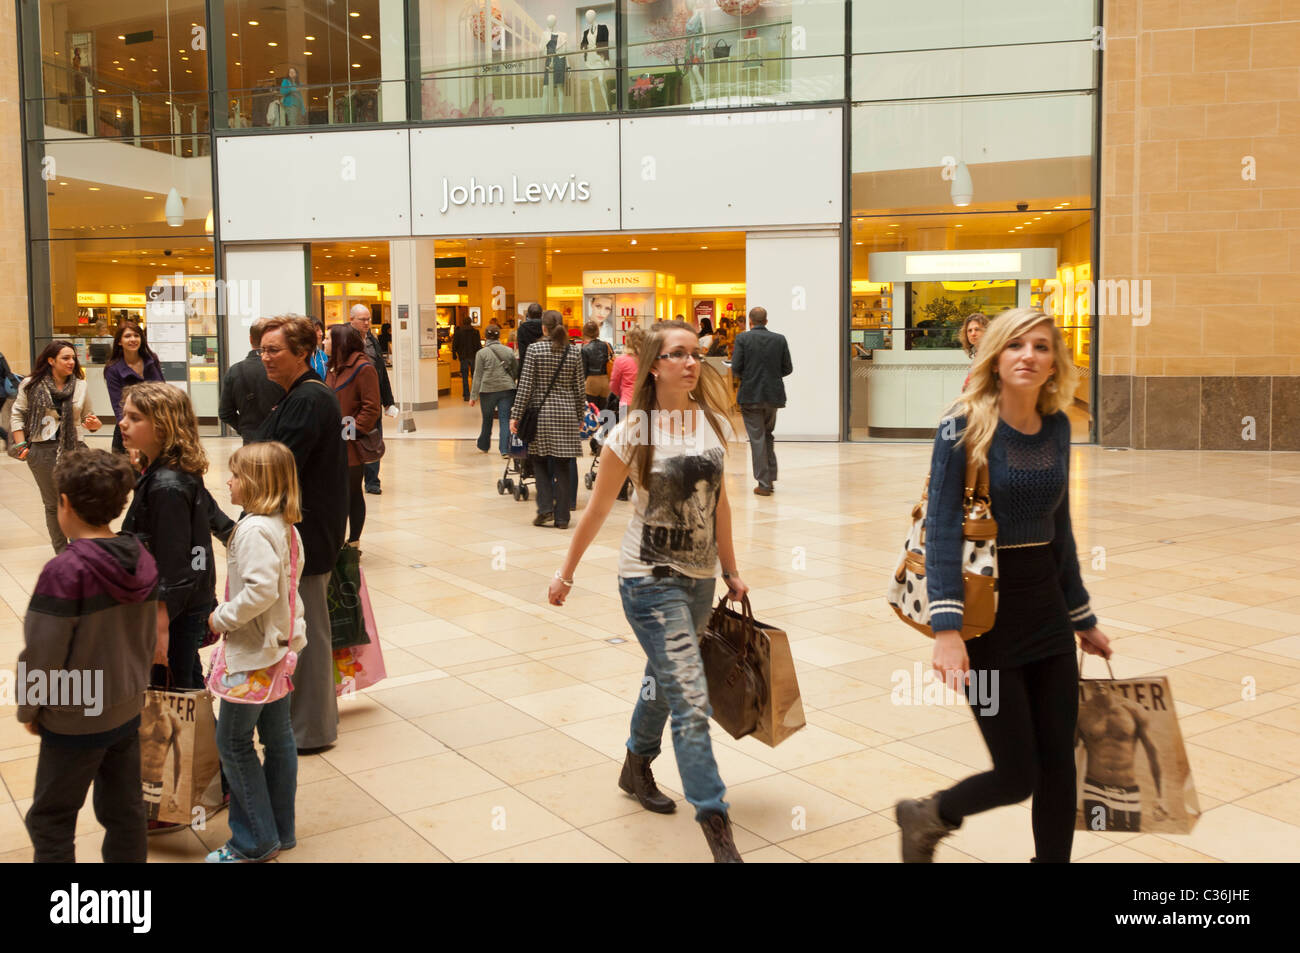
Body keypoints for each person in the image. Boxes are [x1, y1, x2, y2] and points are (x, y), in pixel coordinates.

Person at [894, 308, 1112, 864]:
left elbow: (1059, 528)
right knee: (1017, 774)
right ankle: (930, 813)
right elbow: (942, 528)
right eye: (1016, 345)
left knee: (1060, 762)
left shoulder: (1058, 426)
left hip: (1045, 608)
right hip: (982, 613)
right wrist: (946, 632)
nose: (1029, 356)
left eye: (1041, 346)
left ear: (1054, 361)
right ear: (995, 354)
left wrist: (1082, 617)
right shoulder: (962, 425)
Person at [546, 319, 749, 863]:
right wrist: (565, 573)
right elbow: (595, 511)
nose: (691, 363)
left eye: (696, 354)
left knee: (664, 676)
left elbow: (721, 503)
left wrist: (730, 569)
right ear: (654, 365)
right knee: (690, 698)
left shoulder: (710, 421)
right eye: (679, 354)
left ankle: (636, 763)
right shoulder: (633, 432)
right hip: (648, 580)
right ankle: (716, 821)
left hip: (700, 580)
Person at [19, 449, 159, 863]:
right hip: (127, 709)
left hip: (75, 718)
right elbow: (146, 637)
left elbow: (43, 652)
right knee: (125, 812)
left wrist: (31, 708)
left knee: (51, 818)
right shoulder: (141, 557)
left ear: (64, 503)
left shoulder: (65, 571)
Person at [205, 442, 308, 863]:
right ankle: (280, 831)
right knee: (278, 737)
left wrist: (220, 618)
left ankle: (253, 840)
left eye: (235, 475)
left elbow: (262, 590)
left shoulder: (251, 530)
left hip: (253, 653)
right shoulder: (284, 525)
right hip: (280, 649)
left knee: (232, 741)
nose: (228, 481)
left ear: (256, 483)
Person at [253, 315, 348, 752]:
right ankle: (301, 721)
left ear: (301, 353)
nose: (266, 358)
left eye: (274, 350)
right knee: (298, 624)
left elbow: (279, 462)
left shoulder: (309, 399)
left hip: (308, 531)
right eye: (263, 350)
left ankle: (312, 729)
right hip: (302, 527)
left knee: (306, 628)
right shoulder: (296, 396)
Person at [119, 382, 232, 691]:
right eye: (124, 415)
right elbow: (212, 514)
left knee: (174, 690)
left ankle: (198, 740)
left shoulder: (166, 485)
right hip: (188, 600)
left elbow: (172, 565)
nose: (122, 423)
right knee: (187, 681)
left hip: (175, 607)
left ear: (162, 426)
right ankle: (207, 738)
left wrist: (159, 622)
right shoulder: (172, 472)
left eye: (134, 417)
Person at [8, 341, 102, 553]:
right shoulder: (31, 384)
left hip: (75, 449)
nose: (71, 362)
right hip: (42, 450)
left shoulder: (80, 385)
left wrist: (94, 425)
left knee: (78, 503)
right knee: (53, 505)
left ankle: (79, 551)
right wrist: (22, 444)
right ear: (51, 360)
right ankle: (62, 553)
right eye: (65, 358)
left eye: (73, 358)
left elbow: (88, 415)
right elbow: (18, 413)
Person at [510, 311, 584, 529]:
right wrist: (580, 416)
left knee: (539, 462)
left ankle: (545, 510)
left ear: (543, 328)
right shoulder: (573, 351)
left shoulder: (534, 349)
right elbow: (579, 388)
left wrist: (516, 414)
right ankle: (563, 518)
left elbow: (525, 386)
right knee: (563, 465)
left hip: (540, 416)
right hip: (567, 415)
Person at [1076, 682, 1167, 832]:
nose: (1098, 682)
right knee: (1098, 835)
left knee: (1129, 836)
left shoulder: (1133, 710)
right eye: (1093, 679)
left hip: (1128, 792)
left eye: (1102, 678)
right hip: (1095, 789)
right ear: (1087, 684)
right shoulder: (1080, 713)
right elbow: (1065, 751)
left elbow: (1153, 753)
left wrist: (1161, 796)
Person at [325, 324, 380, 546]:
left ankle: (354, 541)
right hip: (332, 443)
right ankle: (337, 540)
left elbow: (371, 408)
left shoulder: (363, 368)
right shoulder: (333, 368)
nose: (324, 342)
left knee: (352, 493)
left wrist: (349, 433)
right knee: (336, 494)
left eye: (328, 339)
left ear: (340, 342)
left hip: (350, 445)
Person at [729, 306, 792, 497]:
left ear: (750, 321)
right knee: (768, 435)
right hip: (773, 395)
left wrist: (746, 376)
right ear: (766, 321)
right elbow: (787, 368)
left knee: (757, 438)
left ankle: (763, 483)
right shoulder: (779, 339)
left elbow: (736, 366)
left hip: (750, 395)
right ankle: (770, 478)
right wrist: (772, 376)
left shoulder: (742, 338)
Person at [350, 304, 394, 496]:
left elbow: (381, 372)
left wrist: (388, 401)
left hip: (372, 401)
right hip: (352, 403)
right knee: (351, 440)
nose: (367, 323)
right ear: (352, 320)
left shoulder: (372, 340)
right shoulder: (345, 339)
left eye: (368, 319)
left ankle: (372, 480)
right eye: (363, 319)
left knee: (374, 440)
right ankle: (351, 479)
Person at [218, 319, 285, 443]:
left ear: (250, 339)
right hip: (281, 441)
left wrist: (245, 429)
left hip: (251, 442)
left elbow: (225, 413)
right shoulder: (284, 367)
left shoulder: (235, 371)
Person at [104, 322, 164, 455]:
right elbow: (118, 406)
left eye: (136, 335)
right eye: (127, 336)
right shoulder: (113, 369)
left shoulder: (152, 360)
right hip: (129, 428)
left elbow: (164, 392)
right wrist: (130, 435)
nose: (133, 339)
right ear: (119, 342)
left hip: (157, 425)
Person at [609, 326, 646, 502]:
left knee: (626, 445)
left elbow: (614, 385)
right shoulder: (648, 360)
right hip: (646, 404)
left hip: (627, 404)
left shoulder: (621, 361)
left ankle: (621, 488)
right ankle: (641, 484)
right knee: (644, 445)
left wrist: (620, 392)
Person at [470, 322, 519, 456]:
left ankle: (484, 444)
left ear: (485, 337)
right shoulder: (508, 351)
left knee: (487, 418)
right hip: (506, 389)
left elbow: (477, 375)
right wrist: (511, 381)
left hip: (487, 390)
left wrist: (473, 396)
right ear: (498, 336)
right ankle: (504, 449)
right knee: (504, 419)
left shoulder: (481, 353)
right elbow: (515, 370)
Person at [452, 315, 482, 402]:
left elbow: (455, 345)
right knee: (474, 376)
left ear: (463, 322)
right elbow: (478, 345)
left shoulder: (458, 332)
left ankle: (466, 395)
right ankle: (474, 394)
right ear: (470, 322)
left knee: (464, 377)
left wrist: (454, 354)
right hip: (473, 357)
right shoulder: (476, 332)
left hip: (463, 357)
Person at [960, 312, 990, 390]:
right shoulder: (979, 354)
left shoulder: (990, 354)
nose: (973, 333)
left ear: (986, 331)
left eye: (977, 329)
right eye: (969, 330)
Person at [0, 348, 23, 446]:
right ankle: (7, 438)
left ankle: (7, 437)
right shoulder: (0, 356)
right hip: (2, 392)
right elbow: (7, 372)